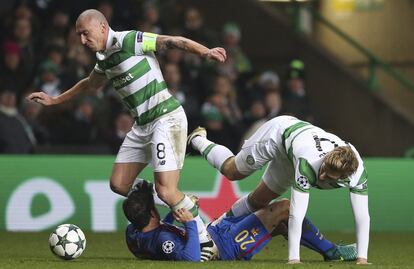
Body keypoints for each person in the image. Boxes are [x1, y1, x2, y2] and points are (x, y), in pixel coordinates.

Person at [26, 9, 226, 259]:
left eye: (85, 34)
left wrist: (205, 52)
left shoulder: (129, 40)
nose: (81, 41)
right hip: (142, 125)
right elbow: (90, 84)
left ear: (102, 27)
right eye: (79, 36)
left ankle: (203, 237)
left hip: (166, 118)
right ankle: (178, 198)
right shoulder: (104, 58)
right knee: (119, 184)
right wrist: (55, 100)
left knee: (165, 192)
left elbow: (173, 41)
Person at [187, 115, 370, 264]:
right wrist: (294, 259)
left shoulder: (358, 175)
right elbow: (296, 213)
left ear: (346, 176)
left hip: (293, 151)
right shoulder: (309, 163)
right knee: (232, 171)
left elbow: (362, 216)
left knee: (259, 201)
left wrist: (362, 258)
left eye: (329, 177)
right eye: (323, 170)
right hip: (277, 135)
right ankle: (197, 139)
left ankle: (217, 228)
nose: (321, 178)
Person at [123, 179, 357, 262]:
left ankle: (327, 250)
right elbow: (191, 258)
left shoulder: (134, 233)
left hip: (217, 230)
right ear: (151, 214)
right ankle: (333, 252)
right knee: (285, 208)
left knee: (280, 219)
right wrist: (190, 221)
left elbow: (156, 233)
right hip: (226, 246)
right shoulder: (165, 241)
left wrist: (174, 213)